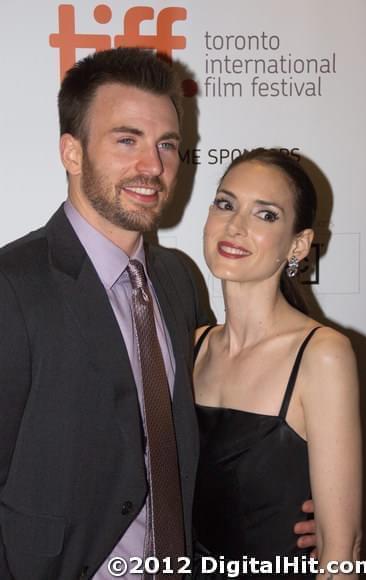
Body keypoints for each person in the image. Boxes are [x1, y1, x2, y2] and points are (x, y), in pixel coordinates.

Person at [0, 49, 316, 580]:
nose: (153, 166)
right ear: (72, 153)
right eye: (127, 140)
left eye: (166, 144)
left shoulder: (176, 278)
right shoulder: (13, 286)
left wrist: (296, 503)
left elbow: (207, 431)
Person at [193, 149, 361, 579]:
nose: (235, 226)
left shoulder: (322, 355)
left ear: (299, 244)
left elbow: (341, 552)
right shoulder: (191, 348)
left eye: (265, 215)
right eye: (226, 204)